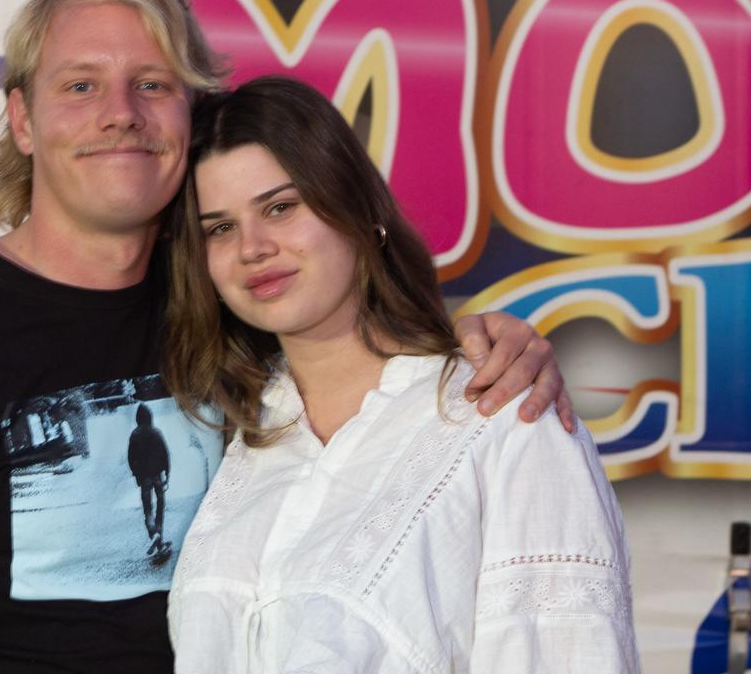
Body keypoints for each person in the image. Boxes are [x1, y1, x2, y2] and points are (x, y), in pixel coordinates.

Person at [0, 0, 572, 674]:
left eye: (153, 84)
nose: (122, 112)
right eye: (81, 85)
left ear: (189, 115)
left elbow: (367, 353)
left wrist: (485, 343)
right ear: (23, 121)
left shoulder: (231, 304)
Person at [162, 76, 639, 672]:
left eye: (281, 208)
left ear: (359, 212)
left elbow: (570, 654)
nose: (252, 247)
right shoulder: (228, 432)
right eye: (220, 228)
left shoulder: (503, 413)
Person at [128, 403, 172, 555]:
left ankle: (154, 534)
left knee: (148, 509)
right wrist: (167, 473)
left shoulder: (134, 435)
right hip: (157, 476)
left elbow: (130, 458)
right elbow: (165, 454)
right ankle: (159, 532)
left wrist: (136, 474)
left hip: (144, 478)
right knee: (160, 505)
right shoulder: (156, 432)